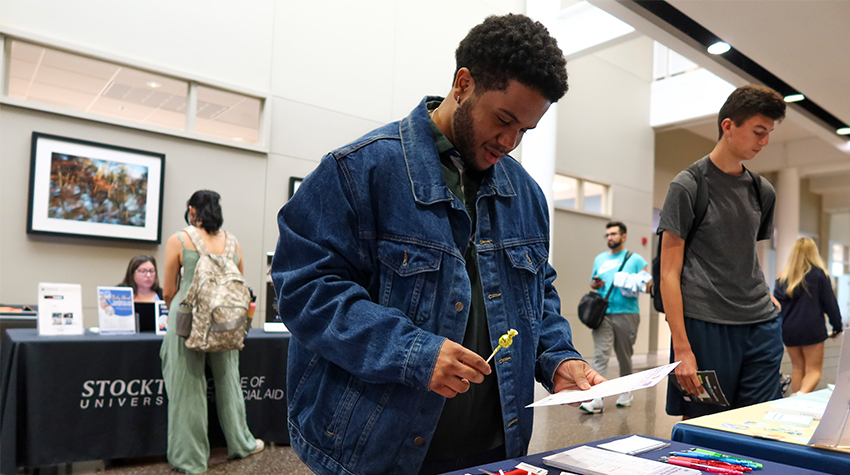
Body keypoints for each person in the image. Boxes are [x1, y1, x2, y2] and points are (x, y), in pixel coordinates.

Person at [271, 14, 603, 475]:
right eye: (503, 120)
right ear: (463, 83)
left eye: (525, 131)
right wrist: (415, 353)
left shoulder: (525, 194)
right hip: (377, 450)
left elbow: (536, 294)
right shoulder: (357, 171)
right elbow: (307, 291)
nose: (509, 142)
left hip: (499, 446)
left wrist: (558, 358)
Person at [658, 84, 787, 418]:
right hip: (706, 325)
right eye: (759, 132)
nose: (765, 142)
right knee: (707, 430)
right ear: (728, 126)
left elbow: (745, 252)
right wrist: (681, 348)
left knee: (759, 425)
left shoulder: (763, 191)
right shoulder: (688, 186)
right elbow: (668, 273)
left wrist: (765, 294)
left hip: (760, 323)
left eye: (769, 133)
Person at [159, 190, 262, 474]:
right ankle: (241, 443)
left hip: (187, 320)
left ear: (192, 211)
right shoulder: (233, 243)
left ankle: (190, 460)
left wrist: (178, 308)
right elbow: (240, 285)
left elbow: (168, 291)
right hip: (225, 322)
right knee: (229, 381)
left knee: (187, 388)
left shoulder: (179, 240)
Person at [579, 221, 650, 414]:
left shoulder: (635, 259)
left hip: (627, 313)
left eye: (613, 234)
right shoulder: (600, 259)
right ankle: (596, 398)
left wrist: (631, 281)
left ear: (623, 236)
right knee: (600, 355)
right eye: (607, 234)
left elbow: (649, 285)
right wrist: (595, 283)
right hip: (603, 314)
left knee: (624, 355)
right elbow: (594, 283)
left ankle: (626, 392)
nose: (609, 237)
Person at [774, 237, 843, 395]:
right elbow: (830, 303)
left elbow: (776, 306)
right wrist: (837, 326)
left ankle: (797, 401)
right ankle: (800, 395)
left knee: (797, 368)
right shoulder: (819, 275)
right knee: (813, 371)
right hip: (812, 328)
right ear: (813, 253)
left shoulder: (782, 277)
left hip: (788, 329)